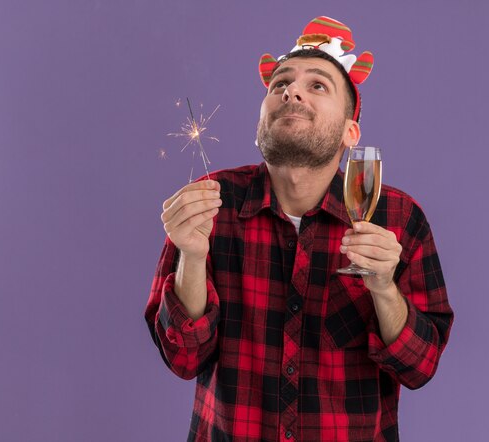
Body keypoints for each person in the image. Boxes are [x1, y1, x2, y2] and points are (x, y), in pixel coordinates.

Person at [145, 16, 454, 442]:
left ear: (351, 132)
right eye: (280, 84)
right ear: (261, 121)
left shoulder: (398, 219)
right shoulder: (208, 204)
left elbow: (420, 367)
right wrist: (193, 259)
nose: (290, 90)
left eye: (318, 86)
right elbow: (183, 358)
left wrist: (384, 289)